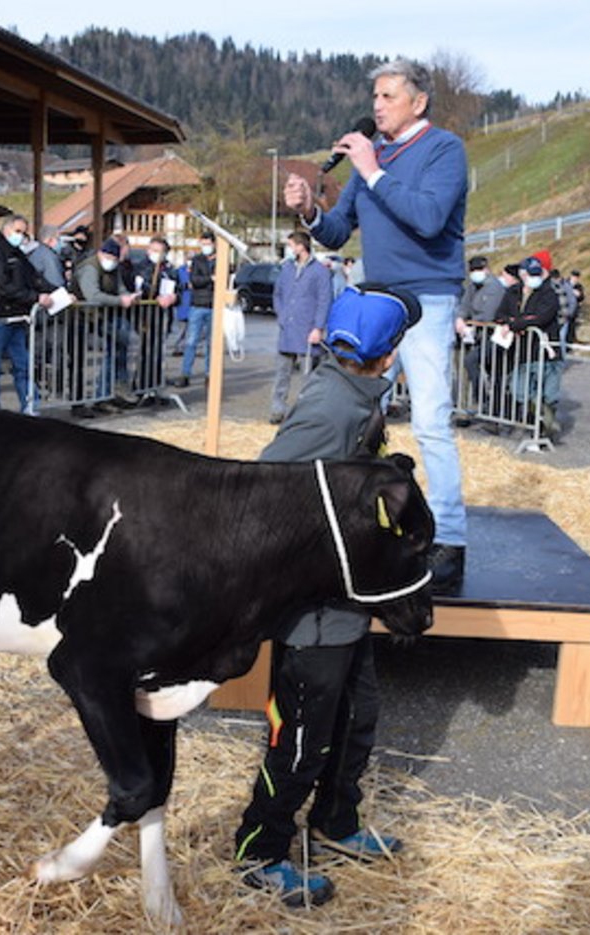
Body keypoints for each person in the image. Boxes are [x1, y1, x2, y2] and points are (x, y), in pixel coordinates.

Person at [234, 283, 420, 908]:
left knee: (355, 719)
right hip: (314, 617)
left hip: (349, 605)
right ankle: (258, 852)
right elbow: (264, 493)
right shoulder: (331, 409)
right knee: (303, 740)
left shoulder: (358, 393)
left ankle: (335, 823)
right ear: (386, 353)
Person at [284, 57, 468, 592]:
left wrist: (371, 169)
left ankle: (450, 538)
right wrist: (310, 210)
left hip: (429, 297)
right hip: (378, 300)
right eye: (374, 98)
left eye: (388, 96)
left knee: (431, 419)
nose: (376, 107)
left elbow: (430, 218)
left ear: (419, 101)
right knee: (361, 414)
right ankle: (360, 523)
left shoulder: (443, 150)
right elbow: (339, 233)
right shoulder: (375, 158)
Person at [0, 215, 53, 413]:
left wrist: (57, 291)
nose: (21, 236)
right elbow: (5, 286)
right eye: (18, 231)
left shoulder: (18, 253)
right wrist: (35, 297)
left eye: (24, 232)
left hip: (17, 317)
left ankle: (30, 408)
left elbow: (34, 278)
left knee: (23, 365)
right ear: (6, 230)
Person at [490, 256, 561, 438]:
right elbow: (499, 315)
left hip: (543, 350)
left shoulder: (548, 293)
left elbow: (540, 318)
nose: (534, 277)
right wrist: (513, 322)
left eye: (537, 274)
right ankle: (539, 420)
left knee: (548, 393)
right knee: (520, 390)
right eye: (530, 274)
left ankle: (546, 426)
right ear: (522, 275)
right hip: (520, 351)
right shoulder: (513, 292)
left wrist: (514, 324)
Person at [270, 231, 332, 423]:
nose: (289, 249)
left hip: (308, 330)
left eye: (291, 245)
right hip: (287, 328)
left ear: (300, 246)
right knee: (282, 373)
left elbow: (325, 301)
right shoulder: (287, 268)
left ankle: (307, 413)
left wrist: (318, 328)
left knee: (309, 377)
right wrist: (281, 314)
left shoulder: (320, 271)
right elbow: (277, 294)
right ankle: (277, 410)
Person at [71, 237, 139, 411]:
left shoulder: (113, 268)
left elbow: (120, 287)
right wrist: (119, 300)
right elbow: (92, 295)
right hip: (83, 316)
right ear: (101, 253)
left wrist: (129, 297)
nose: (112, 262)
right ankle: (84, 401)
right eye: (110, 258)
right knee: (79, 360)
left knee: (119, 345)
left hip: (101, 315)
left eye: (115, 259)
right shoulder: (89, 268)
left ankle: (108, 392)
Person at [454, 256, 504, 413]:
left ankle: (484, 399)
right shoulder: (471, 286)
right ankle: (468, 407)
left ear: (487, 269)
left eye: (479, 269)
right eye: (473, 270)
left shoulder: (494, 287)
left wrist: (471, 322)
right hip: (472, 335)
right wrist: (461, 318)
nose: (476, 273)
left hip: (489, 336)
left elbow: (488, 314)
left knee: (478, 365)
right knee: (466, 366)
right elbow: (465, 305)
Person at [131, 236, 179, 402]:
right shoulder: (140, 267)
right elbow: (138, 288)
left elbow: (176, 288)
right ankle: (141, 387)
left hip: (163, 317)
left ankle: (154, 386)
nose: (156, 254)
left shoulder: (169, 269)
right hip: (145, 316)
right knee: (145, 352)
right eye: (153, 250)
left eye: (160, 252)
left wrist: (173, 297)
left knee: (157, 353)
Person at [170, 231, 216, 388]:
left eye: (208, 244)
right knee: (191, 342)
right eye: (203, 244)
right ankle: (185, 374)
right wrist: (210, 279)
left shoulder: (220, 260)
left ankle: (210, 375)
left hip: (213, 306)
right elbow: (194, 280)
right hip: (197, 304)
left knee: (212, 344)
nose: (205, 247)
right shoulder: (197, 260)